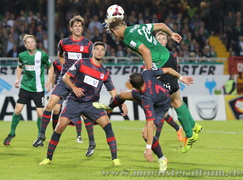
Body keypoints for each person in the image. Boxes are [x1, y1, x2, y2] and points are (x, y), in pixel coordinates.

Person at [107, 18, 202, 153]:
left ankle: (189, 134)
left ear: (115, 30)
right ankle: (193, 126)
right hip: (168, 58)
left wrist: (149, 72)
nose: (115, 37)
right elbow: (162, 25)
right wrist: (171, 33)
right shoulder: (138, 27)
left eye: (113, 34)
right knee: (175, 99)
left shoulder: (128, 37)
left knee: (173, 102)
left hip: (162, 64)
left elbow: (146, 51)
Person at [39, 41, 126, 166]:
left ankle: (115, 159)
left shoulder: (104, 72)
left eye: (102, 49)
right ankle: (48, 158)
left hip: (92, 104)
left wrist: (121, 103)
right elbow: (65, 77)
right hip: (74, 102)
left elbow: (112, 91)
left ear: (104, 52)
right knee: (60, 126)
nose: (100, 51)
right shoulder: (81, 62)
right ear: (93, 51)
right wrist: (74, 88)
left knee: (107, 125)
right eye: (97, 49)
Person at [94, 67, 193, 172]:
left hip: (161, 106)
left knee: (145, 134)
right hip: (153, 94)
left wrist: (148, 148)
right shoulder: (147, 73)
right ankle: (110, 107)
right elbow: (168, 69)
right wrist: (181, 77)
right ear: (142, 77)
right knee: (122, 95)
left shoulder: (147, 100)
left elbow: (150, 124)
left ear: (132, 85)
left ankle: (162, 158)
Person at [33, 16, 95, 155]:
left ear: (82, 28)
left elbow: (90, 62)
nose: (78, 28)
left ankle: (91, 143)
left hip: (80, 81)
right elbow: (60, 55)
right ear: (71, 28)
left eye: (80, 25)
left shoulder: (88, 44)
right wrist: (65, 68)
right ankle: (41, 136)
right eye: (76, 26)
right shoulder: (63, 42)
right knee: (50, 105)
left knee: (85, 114)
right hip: (65, 79)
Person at [3, 34, 54, 146]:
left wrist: (49, 82)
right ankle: (12, 133)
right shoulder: (22, 56)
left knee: (40, 114)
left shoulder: (42, 55)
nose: (31, 44)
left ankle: (39, 137)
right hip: (25, 87)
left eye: (32, 41)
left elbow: (50, 67)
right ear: (25, 45)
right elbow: (19, 66)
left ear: (35, 43)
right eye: (28, 42)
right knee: (17, 110)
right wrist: (17, 79)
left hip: (38, 88)